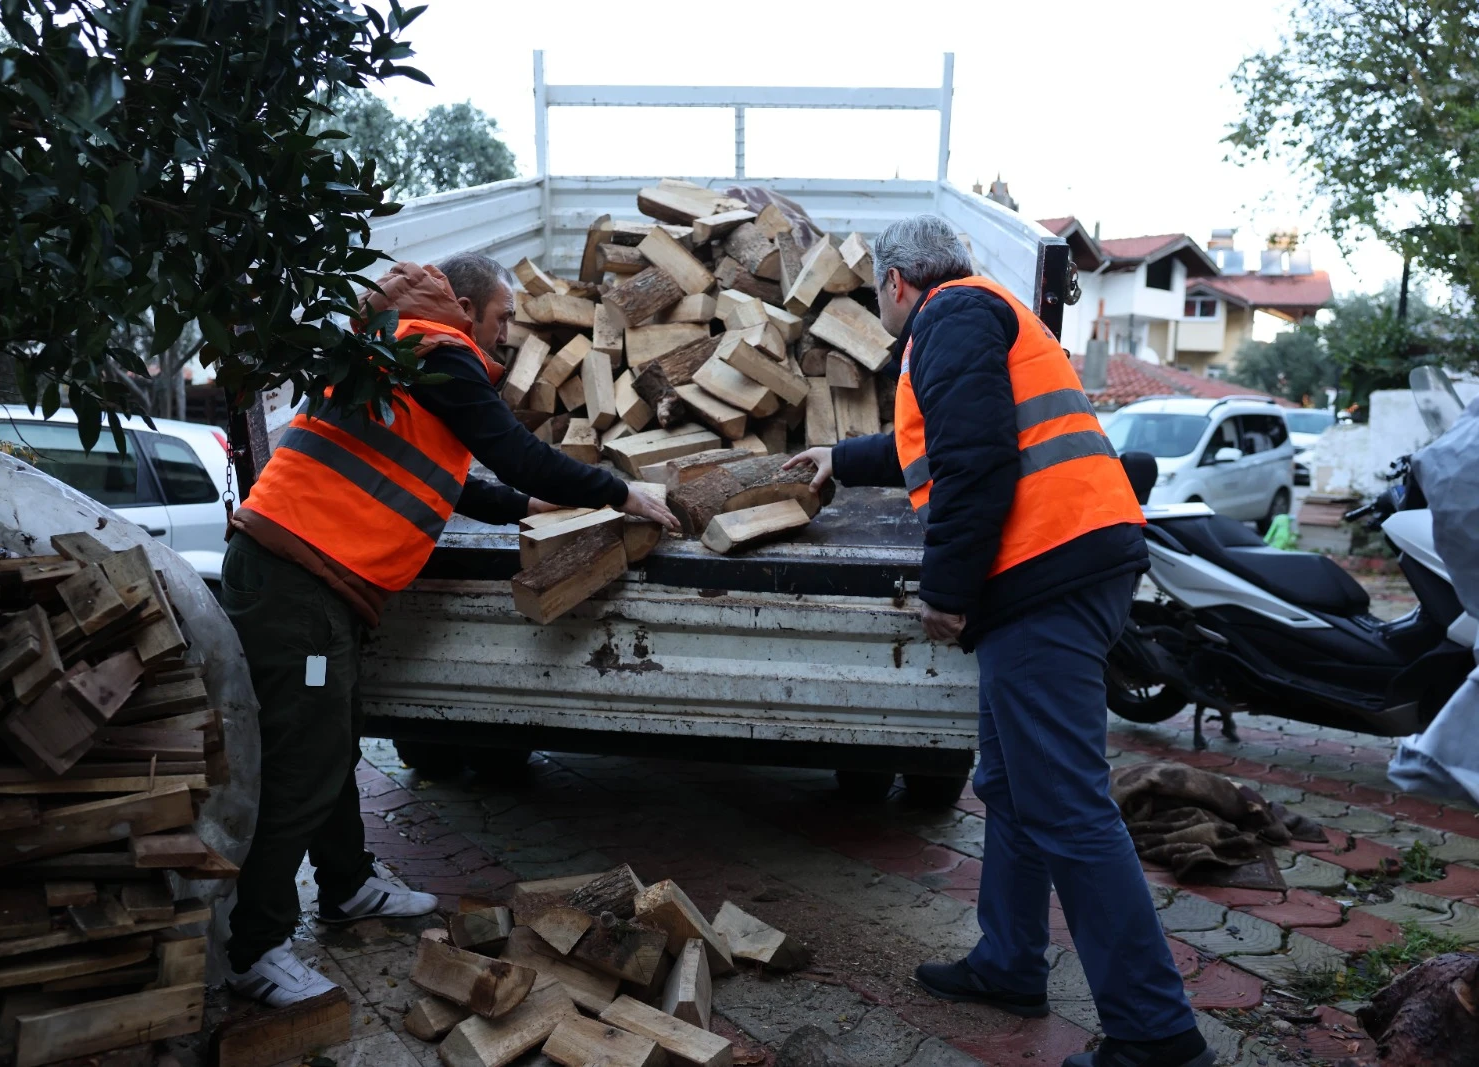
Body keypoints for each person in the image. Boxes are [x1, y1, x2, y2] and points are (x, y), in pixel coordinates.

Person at [786, 216, 1208, 1067]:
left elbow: (976, 461)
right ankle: (1010, 960)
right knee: (1012, 784)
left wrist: (946, 592)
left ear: (897, 283)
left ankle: (1156, 1032)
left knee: (1068, 805)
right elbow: (942, 443)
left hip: (1046, 575)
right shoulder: (976, 315)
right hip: (1063, 566)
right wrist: (841, 456)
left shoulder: (948, 318)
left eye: (878, 292)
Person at [221, 253, 678, 1006]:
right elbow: (516, 451)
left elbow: (439, 472)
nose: (506, 339)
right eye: (501, 318)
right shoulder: (440, 350)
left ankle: (348, 887)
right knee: (303, 765)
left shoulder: (395, 348)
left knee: (329, 740)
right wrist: (620, 490)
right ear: (465, 306)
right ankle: (255, 948)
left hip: (300, 573)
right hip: (295, 579)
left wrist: (521, 510)